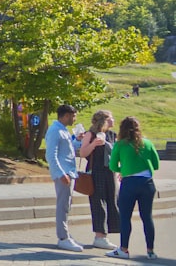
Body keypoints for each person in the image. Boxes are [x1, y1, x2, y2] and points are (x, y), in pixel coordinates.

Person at [106, 116, 161, 260]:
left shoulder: (120, 144)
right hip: (147, 183)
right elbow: (156, 165)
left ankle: (124, 249)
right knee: (147, 217)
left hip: (129, 183)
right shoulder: (147, 143)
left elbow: (112, 165)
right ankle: (150, 251)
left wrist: (124, 170)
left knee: (125, 217)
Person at [78, 110, 119, 250]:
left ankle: (105, 235)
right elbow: (83, 153)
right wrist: (94, 143)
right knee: (98, 202)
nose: (113, 120)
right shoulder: (91, 134)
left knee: (111, 201)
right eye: (111, 118)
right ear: (104, 120)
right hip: (96, 172)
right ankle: (99, 236)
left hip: (111, 172)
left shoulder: (113, 135)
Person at [45, 104, 83, 252]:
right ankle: (63, 237)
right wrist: (61, 174)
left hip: (69, 173)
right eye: (73, 116)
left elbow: (66, 150)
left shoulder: (62, 130)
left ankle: (65, 234)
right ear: (66, 115)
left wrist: (77, 140)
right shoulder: (55, 130)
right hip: (64, 174)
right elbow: (51, 155)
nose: (75, 119)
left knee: (66, 205)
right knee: (63, 205)